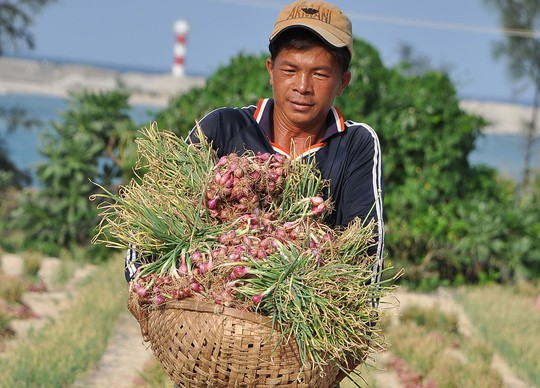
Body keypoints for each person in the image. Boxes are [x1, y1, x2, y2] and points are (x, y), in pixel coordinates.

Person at [126, 0, 384, 385]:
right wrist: (142, 289)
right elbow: (152, 224)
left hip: (297, 361)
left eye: (319, 73)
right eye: (290, 69)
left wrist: (340, 327)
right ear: (270, 71)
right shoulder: (223, 127)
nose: (302, 86)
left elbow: (367, 251)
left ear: (342, 81)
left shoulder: (356, 144)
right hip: (207, 352)